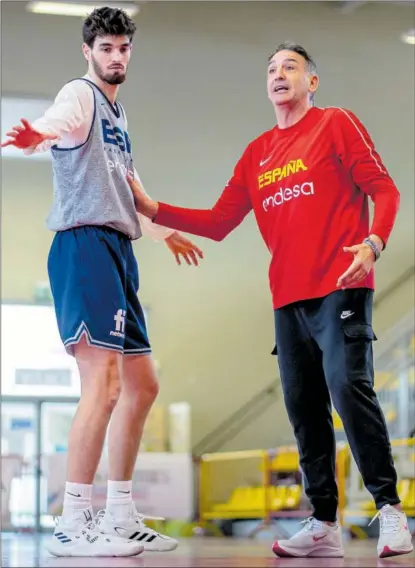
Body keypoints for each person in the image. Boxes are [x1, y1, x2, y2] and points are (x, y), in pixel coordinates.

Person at [127, 42, 414, 559]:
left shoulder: (337, 125)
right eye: (272, 69)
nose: (279, 75)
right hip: (288, 299)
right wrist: (154, 209)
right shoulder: (257, 154)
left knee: (349, 390)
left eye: (291, 67)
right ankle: (323, 522)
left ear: (312, 82)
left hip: (343, 283)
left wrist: (373, 244)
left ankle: (391, 511)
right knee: (304, 410)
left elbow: (386, 190)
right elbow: (219, 221)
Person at [1, 7, 204, 558]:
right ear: (87, 51)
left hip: (118, 249)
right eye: (106, 48)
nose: (115, 57)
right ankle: (73, 520)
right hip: (83, 245)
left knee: (144, 385)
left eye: (123, 48)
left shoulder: (120, 114)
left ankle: (118, 512)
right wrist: (36, 133)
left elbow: (130, 190)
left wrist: (165, 233)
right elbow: (58, 121)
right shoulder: (82, 95)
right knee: (105, 386)